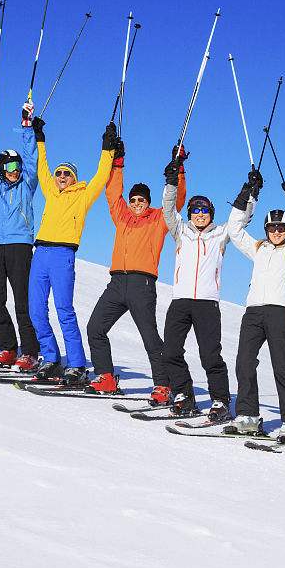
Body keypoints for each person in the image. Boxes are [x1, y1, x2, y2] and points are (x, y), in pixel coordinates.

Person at [85, 141, 186, 398]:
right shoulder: (122, 216)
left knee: (150, 338)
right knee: (95, 328)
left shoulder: (158, 219)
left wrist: (179, 170)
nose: (137, 203)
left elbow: (177, 202)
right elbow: (112, 194)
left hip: (142, 285)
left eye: (141, 199)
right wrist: (118, 163)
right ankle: (106, 377)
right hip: (116, 283)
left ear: (149, 202)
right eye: (134, 199)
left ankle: (163, 385)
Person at [25, 116, 116, 385]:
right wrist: (40, 139)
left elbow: (101, 175)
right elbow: (42, 167)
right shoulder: (50, 191)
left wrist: (107, 148)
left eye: (67, 174)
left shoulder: (83, 195)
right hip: (40, 254)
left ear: (74, 178)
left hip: (63, 255)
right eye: (60, 173)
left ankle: (76, 364)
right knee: (36, 310)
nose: (61, 176)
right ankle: (51, 358)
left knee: (64, 308)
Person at [224, 168, 285, 440]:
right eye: (272, 228)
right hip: (253, 312)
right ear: (266, 230)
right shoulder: (258, 248)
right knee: (244, 362)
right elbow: (234, 229)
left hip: (279, 312)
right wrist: (247, 195)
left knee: (281, 365)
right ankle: (248, 416)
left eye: (281, 228)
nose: (276, 231)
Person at [160, 156, 233, 422]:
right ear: (190, 214)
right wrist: (171, 182)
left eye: (204, 211)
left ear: (211, 214)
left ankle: (220, 401)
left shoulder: (220, 234)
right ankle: (184, 394)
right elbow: (168, 209)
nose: (200, 215)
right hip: (180, 300)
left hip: (206, 302)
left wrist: (250, 195)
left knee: (210, 354)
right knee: (170, 351)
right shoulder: (181, 232)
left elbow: (240, 220)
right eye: (195, 211)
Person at [0, 101, 41, 367]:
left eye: (16, 167)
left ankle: (30, 351)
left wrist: (27, 125)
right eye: (9, 167)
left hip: (20, 245)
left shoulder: (27, 185)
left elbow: (31, 159)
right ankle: (7, 347)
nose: (13, 171)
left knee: (23, 302)